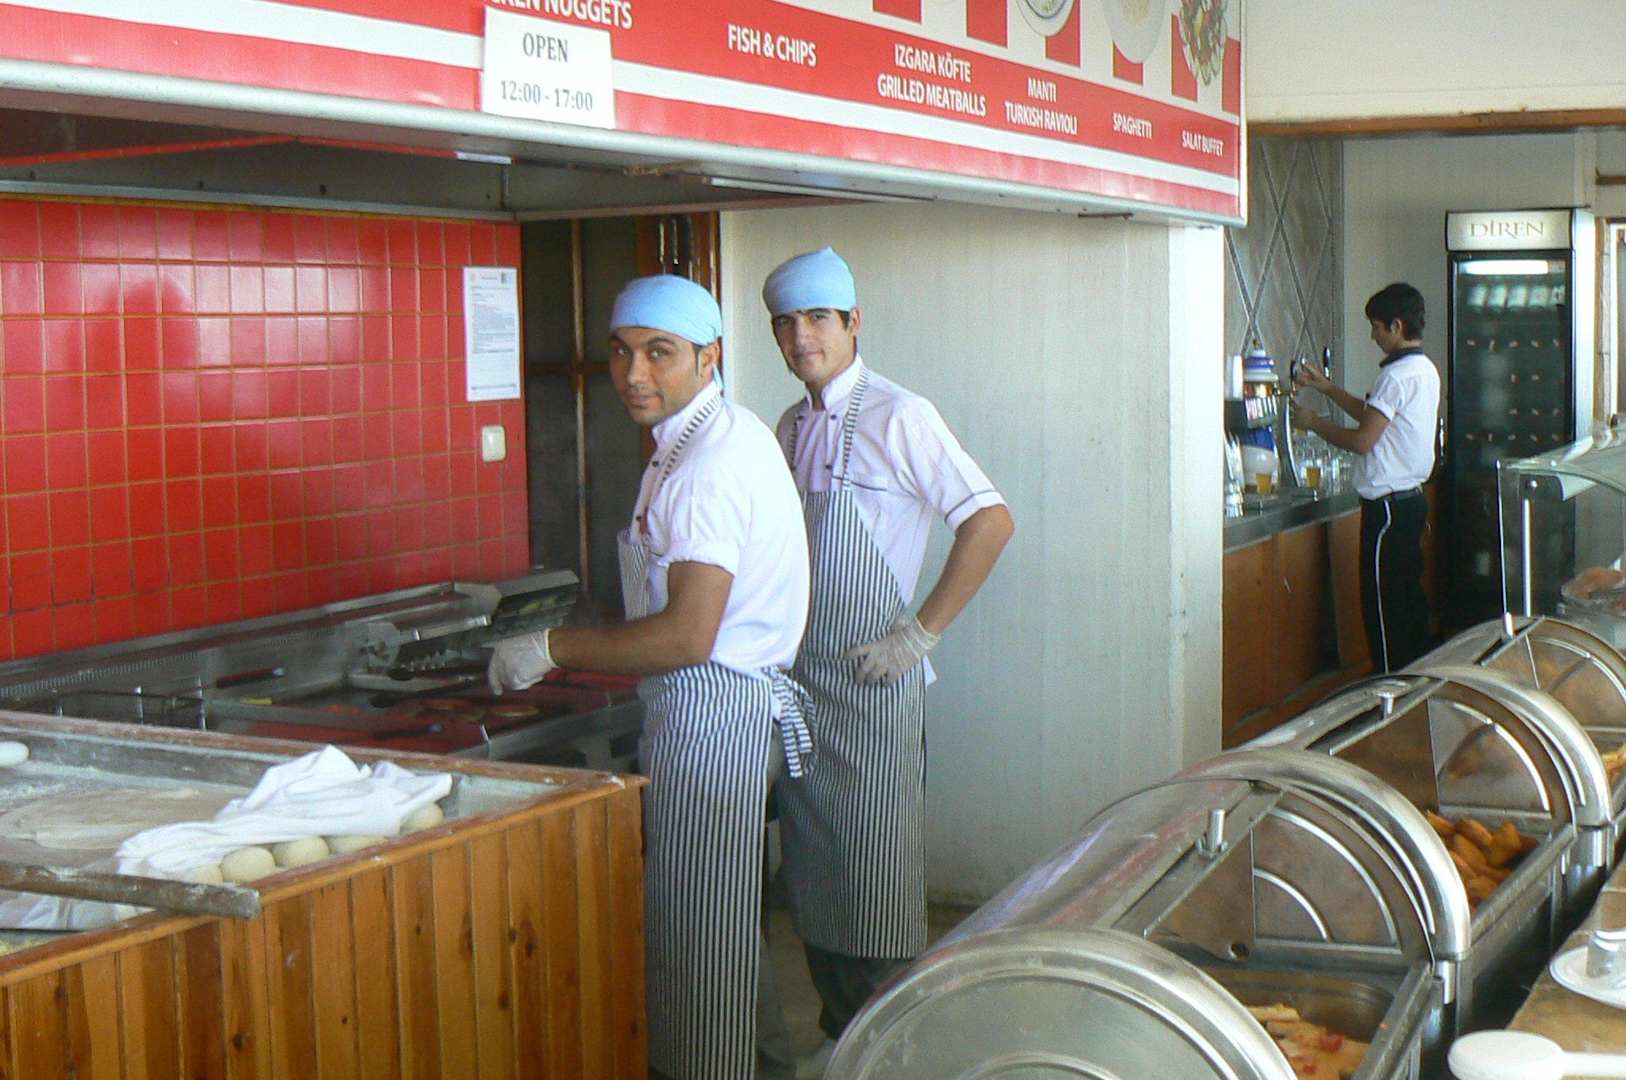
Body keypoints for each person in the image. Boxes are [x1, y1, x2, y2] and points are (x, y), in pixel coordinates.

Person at [486, 274, 812, 1080]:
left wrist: (554, 647)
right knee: (725, 929)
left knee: (694, 941)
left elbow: (686, 634)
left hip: (714, 720)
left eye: (659, 353)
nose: (635, 374)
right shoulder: (711, 436)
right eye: (622, 352)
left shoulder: (706, 468)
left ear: (709, 356)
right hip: (725, 711)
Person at [763, 247, 1015, 1074]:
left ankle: (896, 1054)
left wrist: (919, 633)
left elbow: (990, 522)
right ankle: (843, 1040)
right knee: (814, 883)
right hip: (804, 689)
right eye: (786, 324)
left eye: (819, 320)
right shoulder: (789, 427)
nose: (803, 338)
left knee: (874, 890)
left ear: (853, 323)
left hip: (876, 690)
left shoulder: (901, 415)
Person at [1292, 281, 1441, 671]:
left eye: (1376, 327)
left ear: (1396, 325)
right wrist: (1327, 389)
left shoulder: (1395, 377)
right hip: (1411, 501)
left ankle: (1388, 687)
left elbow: (1362, 440)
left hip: (1387, 510)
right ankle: (1415, 683)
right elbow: (1374, 415)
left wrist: (1313, 423)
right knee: (1408, 601)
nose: (1373, 336)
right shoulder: (1423, 369)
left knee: (1384, 609)